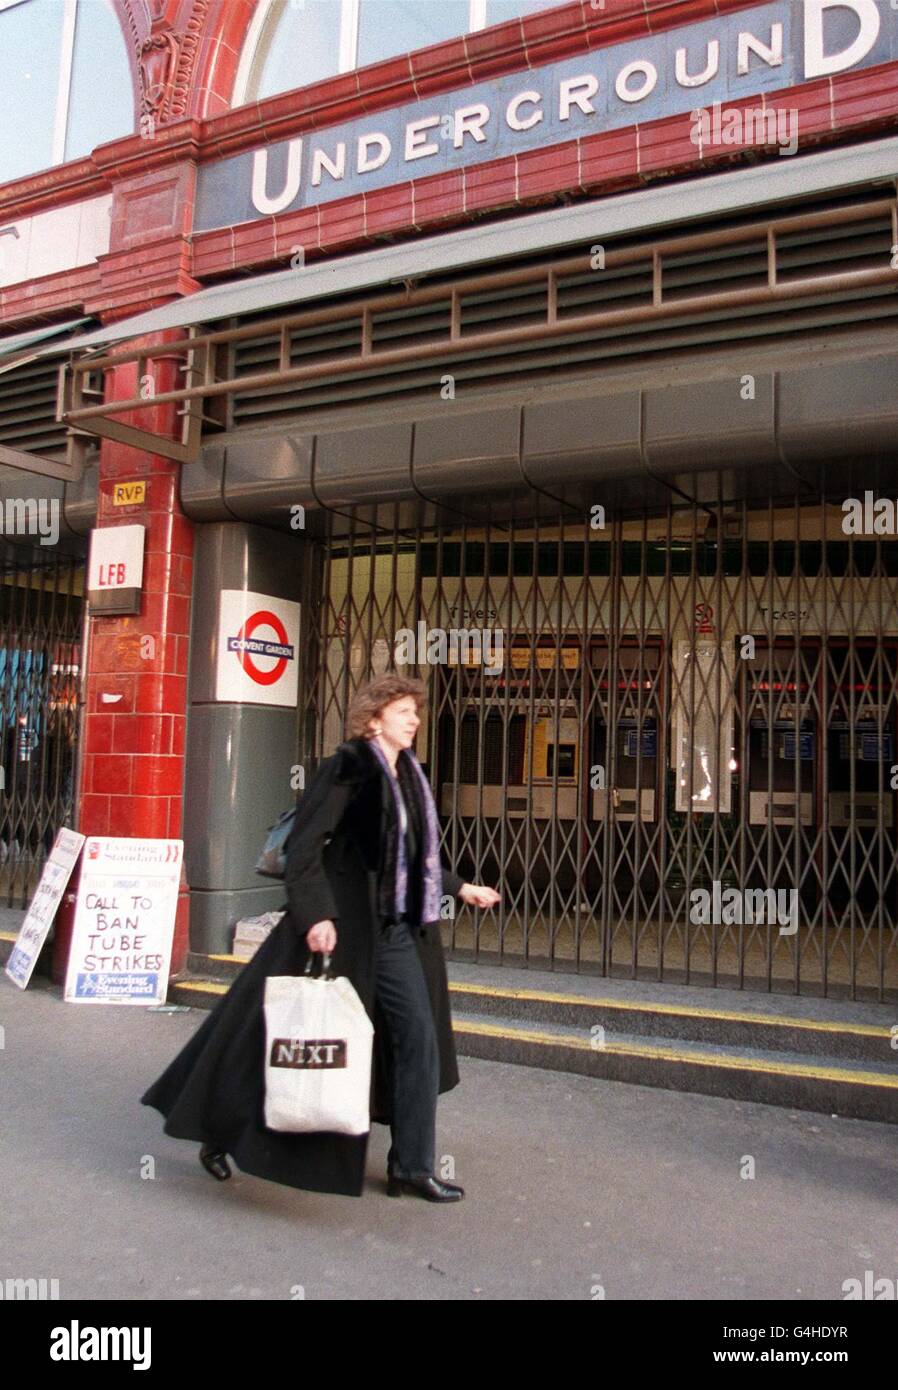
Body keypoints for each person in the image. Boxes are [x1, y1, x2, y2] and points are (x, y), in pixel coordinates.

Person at [141, 673, 500, 1202]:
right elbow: (305, 846)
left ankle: (412, 1165)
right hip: (341, 929)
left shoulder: (409, 776)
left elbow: (410, 857)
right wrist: (315, 916)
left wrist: (460, 886)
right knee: (274, 1038)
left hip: (398, 933)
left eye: (415, 712)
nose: (415, 721)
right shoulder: (347, 768)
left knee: (418, 1040)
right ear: (374, 718)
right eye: (404, 712)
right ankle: (219, 1131)